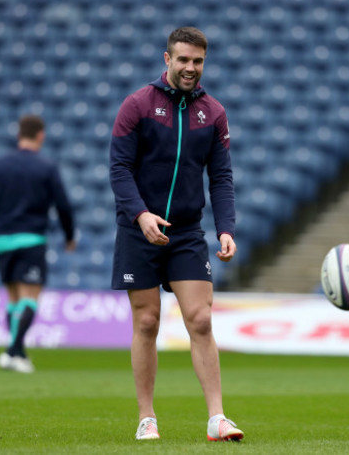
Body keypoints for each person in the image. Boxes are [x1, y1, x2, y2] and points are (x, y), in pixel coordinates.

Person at [109, 26, 243, 442]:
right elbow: (119, 170)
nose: (190, 68)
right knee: (146, 321)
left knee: (200, 320)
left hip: (186, 232)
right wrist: (140, 215)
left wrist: (226, 229)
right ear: (167, 59)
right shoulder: (137, 105)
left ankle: (217, 418)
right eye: (183, 59)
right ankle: (146, 417)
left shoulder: (214, 113)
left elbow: (220, 177)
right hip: (139, 231)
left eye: (198, 61)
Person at [0, 115, 76, 373]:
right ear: (40, 135)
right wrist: (69, 235)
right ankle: (12, 351)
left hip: (2, 240)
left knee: (13, 298)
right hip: (31, 238)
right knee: (30, 297)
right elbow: (63, 205)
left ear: (19, 134)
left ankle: (18, 353)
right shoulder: (46, 167)